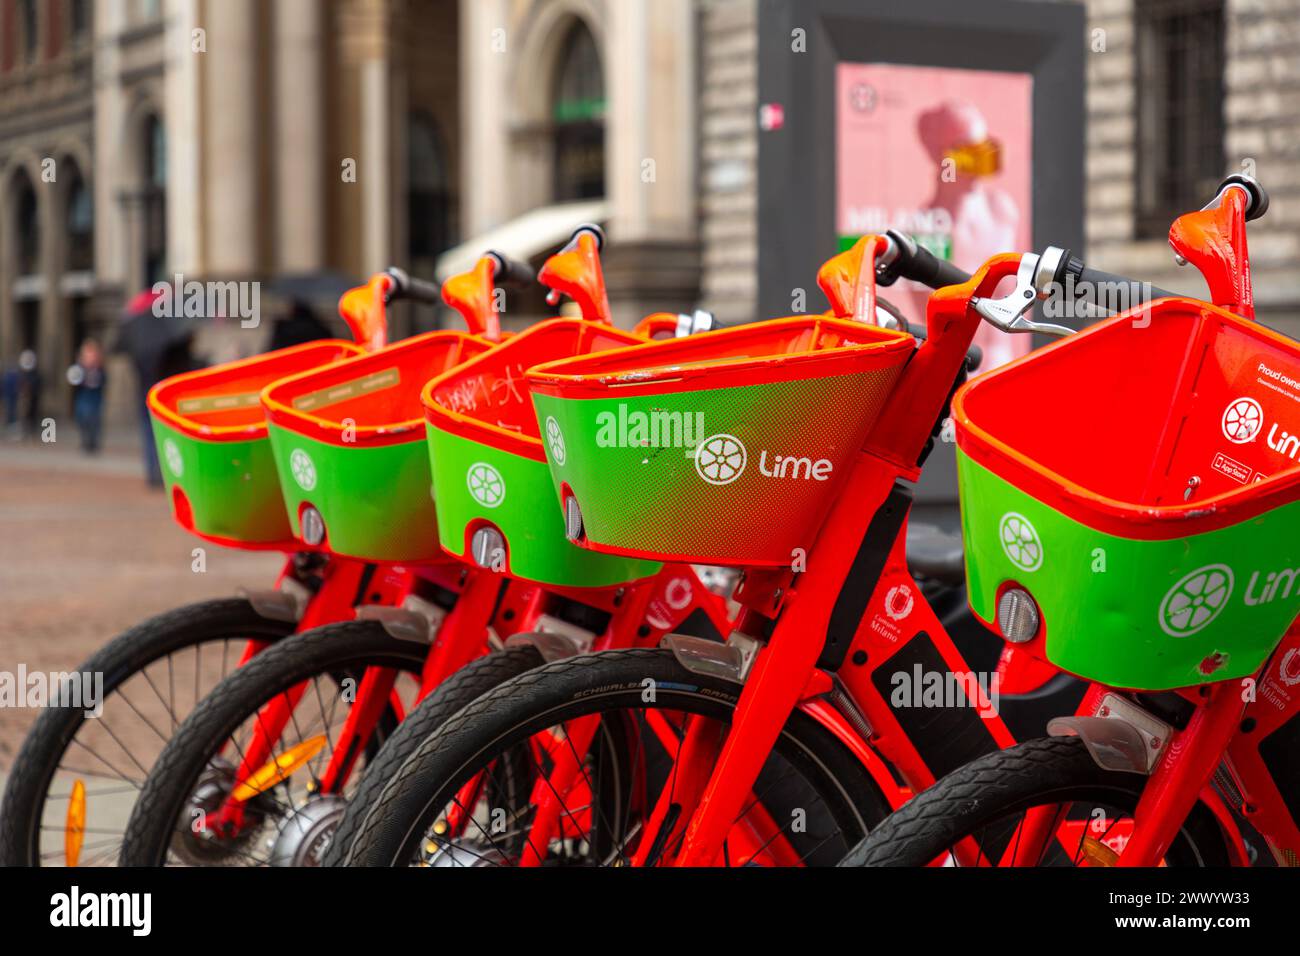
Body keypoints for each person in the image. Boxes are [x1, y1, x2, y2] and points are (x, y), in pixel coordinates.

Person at [67, 339, 108, 454]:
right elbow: (73, 380)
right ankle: (85, 440)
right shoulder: (79, 367)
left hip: (95, 396)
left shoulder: (99, 368)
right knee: (82, 417)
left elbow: (104, 380)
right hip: (83, 394)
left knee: (94, 419)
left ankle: (92, 442)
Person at [17, 349, 42, 440]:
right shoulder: (22, 373)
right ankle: (25, 432)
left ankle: (32, 432)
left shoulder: (35, 374)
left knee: (32, 415)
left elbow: (38, 384)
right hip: (25, 397)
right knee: (24, 415)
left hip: (33, 397)